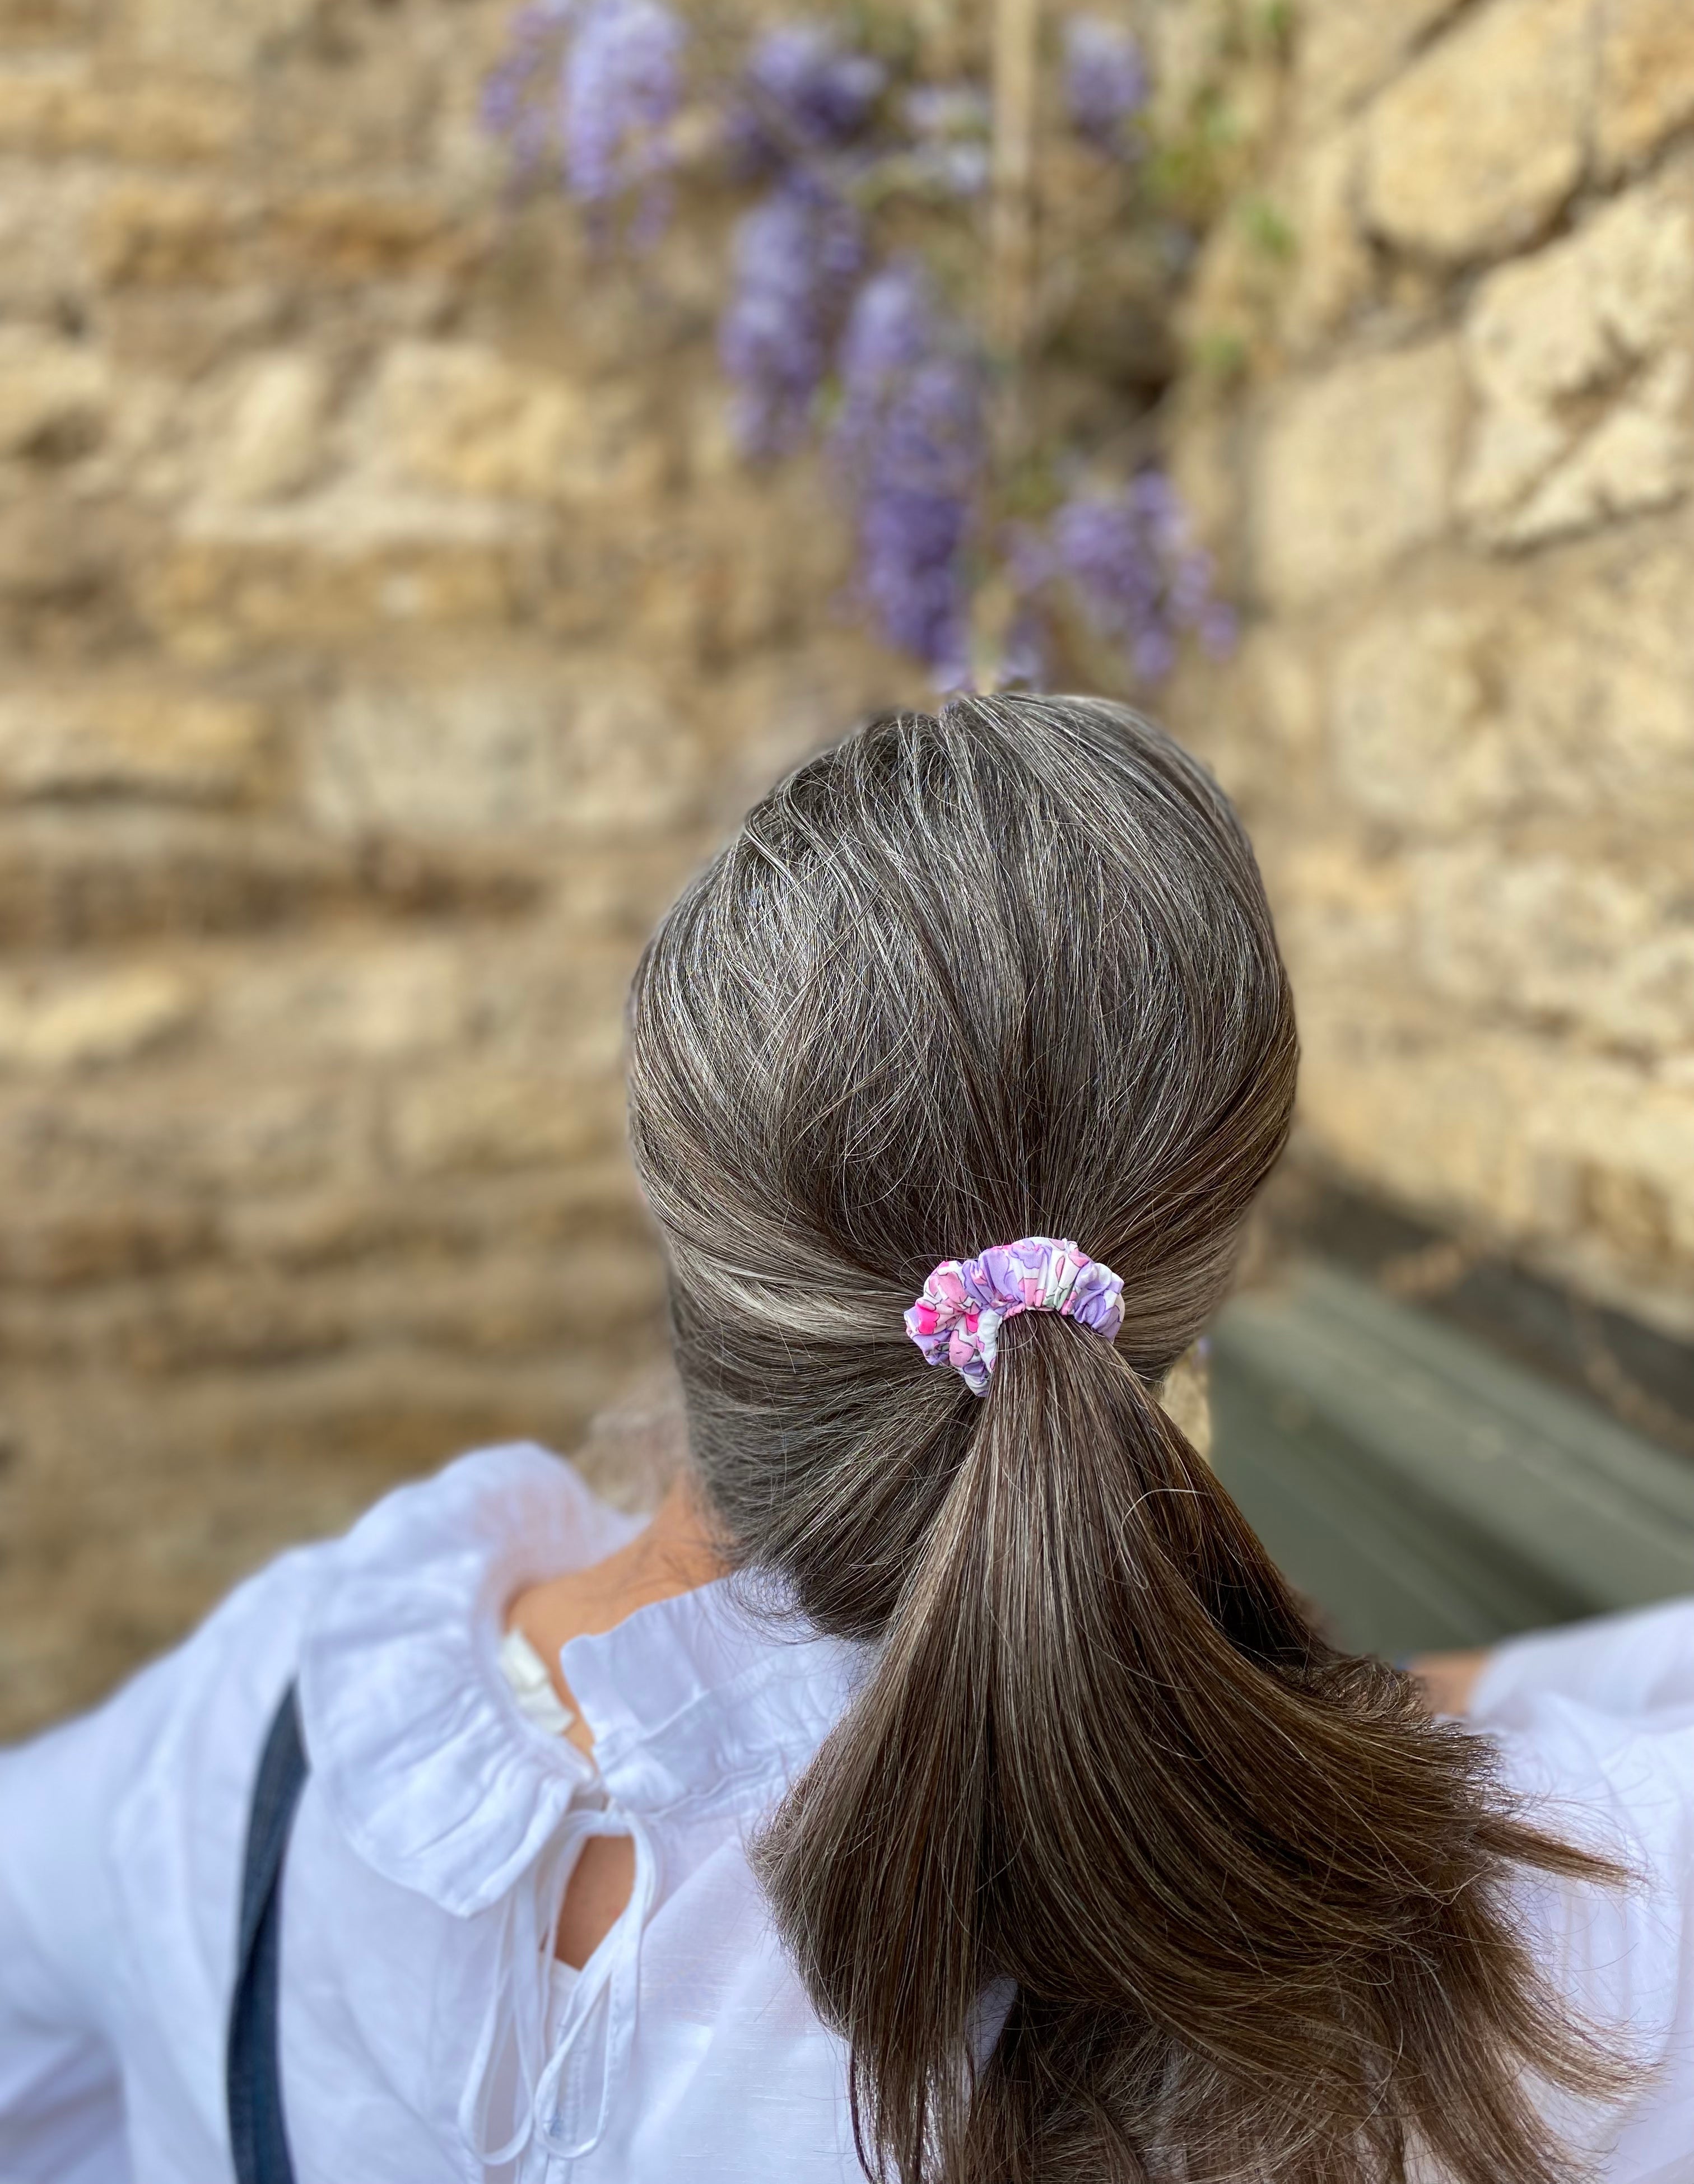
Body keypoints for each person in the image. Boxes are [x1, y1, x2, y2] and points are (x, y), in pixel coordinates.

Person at [1, 695, 1690, 2184]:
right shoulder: (1478, 1964)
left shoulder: (261, 1738)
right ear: (1196, 1270)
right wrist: (1366, 1711)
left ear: (698, 1232)